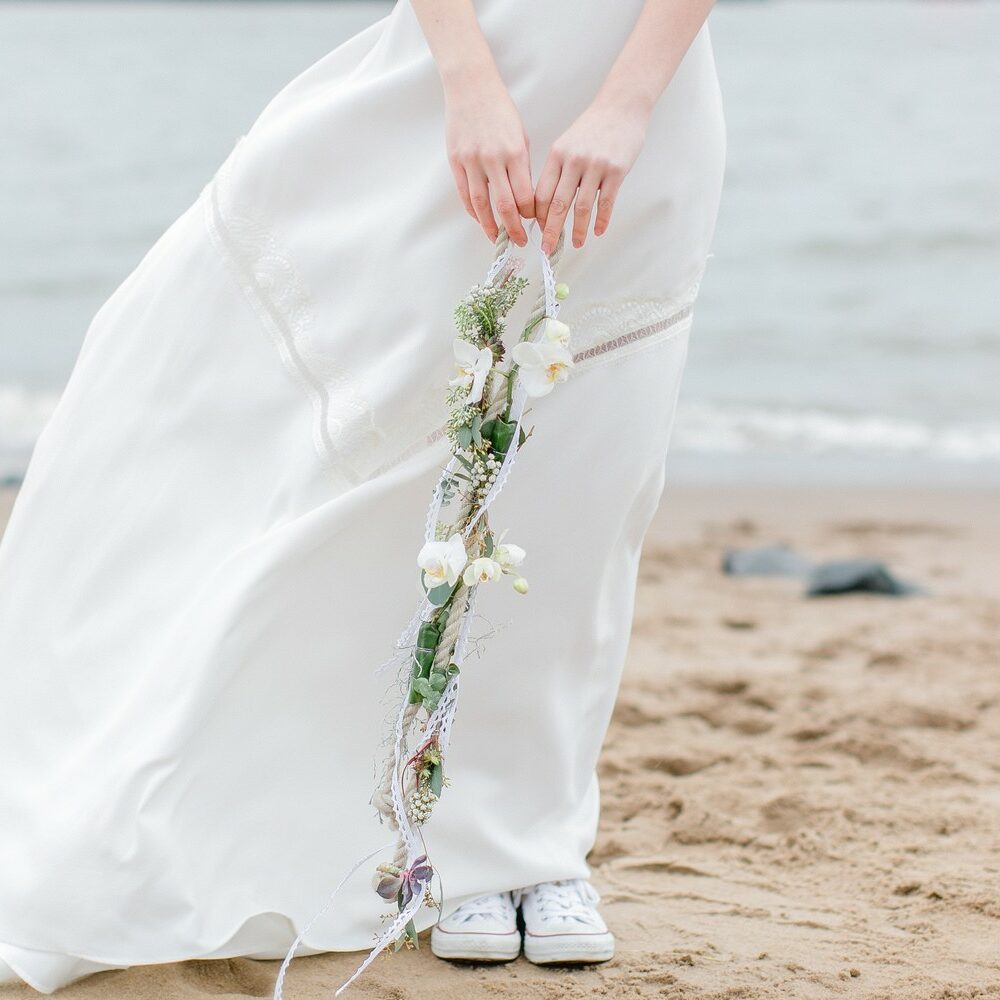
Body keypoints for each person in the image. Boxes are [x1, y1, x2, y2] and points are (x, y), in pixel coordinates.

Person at [0, 0, 724, 992]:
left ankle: (529, 850)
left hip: (642, 113)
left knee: (580, 489)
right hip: (452, 91)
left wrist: (626, 105)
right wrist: (467, 83)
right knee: (368, 448)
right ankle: (392, 823)